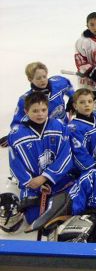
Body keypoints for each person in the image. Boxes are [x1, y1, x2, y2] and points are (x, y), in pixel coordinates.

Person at [8, 92, 74, 225]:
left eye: (43, 110)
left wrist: (45, 177)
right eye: (35, 111)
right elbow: (15, 163)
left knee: (74, 204)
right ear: (26, 111)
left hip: (58, 179)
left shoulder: (59, 126)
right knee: (33, 218)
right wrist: (30, 181)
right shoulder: (16, 134)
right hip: (33, 184)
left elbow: (66, 156)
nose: (40, 114)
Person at [10, 61, 74, 127]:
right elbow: (16, 124)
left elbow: (70, 89)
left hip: (65, 127)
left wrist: (73, 100)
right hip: (47, 132)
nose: (42, 80)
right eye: (38, 78)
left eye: (44, 76)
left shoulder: (59, 83)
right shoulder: (25, 100)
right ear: (30, 79)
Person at [67, 88, 96, 173]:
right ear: (75, 106)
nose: (87, 105)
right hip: (87, 170)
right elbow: (79, 154)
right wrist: (94, 169)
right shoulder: (73, 128)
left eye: (90, 101)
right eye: (82, 102)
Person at [74, 12, 96, 90]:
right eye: (92, 25)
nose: (95, 27)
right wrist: (92, 71)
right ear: (87, 26)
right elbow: (80, 61)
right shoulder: (82, 42)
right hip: (87, 80)